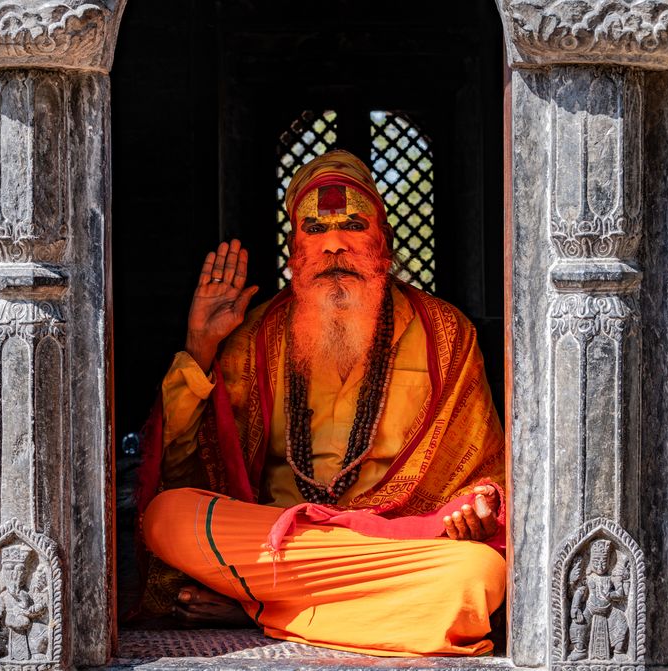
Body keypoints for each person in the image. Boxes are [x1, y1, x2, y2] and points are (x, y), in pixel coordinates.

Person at [136, 150, 506, 656]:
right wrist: (199, 345)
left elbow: (486, 472)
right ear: (295, 248)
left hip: (395, 544)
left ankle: (255, 607)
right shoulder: (255, 334)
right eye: (314, 229)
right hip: (276, 542)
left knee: (477, 574)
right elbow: (186, 468)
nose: (334, 244)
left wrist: (480, 506)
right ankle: (335, 610)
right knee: (168, 516)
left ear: (384, 242)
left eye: (354, 225)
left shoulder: (445, 333)